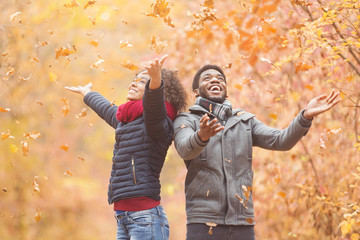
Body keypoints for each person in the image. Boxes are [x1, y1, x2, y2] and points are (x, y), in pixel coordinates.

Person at [173, 64, 340, 240]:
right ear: (196, 92)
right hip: (203, 223)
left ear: (226, 91)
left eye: (220, 79)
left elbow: (281, 140)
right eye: (207, 78)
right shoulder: (187, 119)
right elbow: (184, 150)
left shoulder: (245, 122)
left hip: (243, 223)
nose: (215, 80)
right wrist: (201, 136)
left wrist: (305, 116)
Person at [65, 55, 187, 240]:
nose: (134, 84)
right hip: (123, 218)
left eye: (142, 82)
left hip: (145, 218)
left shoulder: (158, 122)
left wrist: (155, 80)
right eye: (134, 80)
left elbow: (154, 107)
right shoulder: (128, 120)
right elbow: (108, 110)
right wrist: (87, 93)